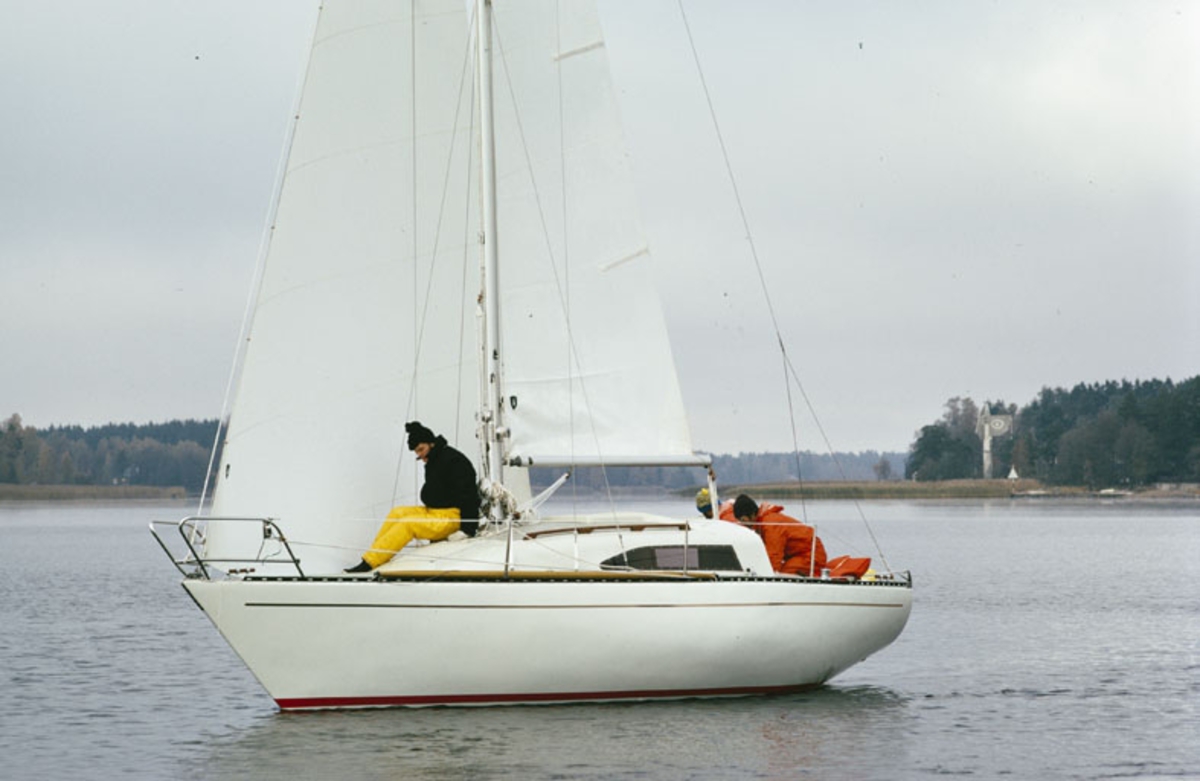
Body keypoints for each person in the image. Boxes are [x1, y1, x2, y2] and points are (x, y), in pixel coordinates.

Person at [345, 421, 481, 573]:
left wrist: (468, 529)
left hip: (453, 517)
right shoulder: (434, 459)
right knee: (397, 513)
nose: (420, 455)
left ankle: (368, 564)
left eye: (421, 449)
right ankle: (375, 558)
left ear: (431, 443)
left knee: (408, 524)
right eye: (417, 452)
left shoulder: (454, 461)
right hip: (436, 512)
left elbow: (469, 495)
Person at [725, 493, 871, 579]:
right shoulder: (764, 523)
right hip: (800, 554)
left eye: (744, 520)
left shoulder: (771, 525)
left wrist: (764, 576)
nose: (745, 525)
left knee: (785, 575)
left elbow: (774, 555)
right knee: (781, 572)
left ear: (752, 514)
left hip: (810, 554)